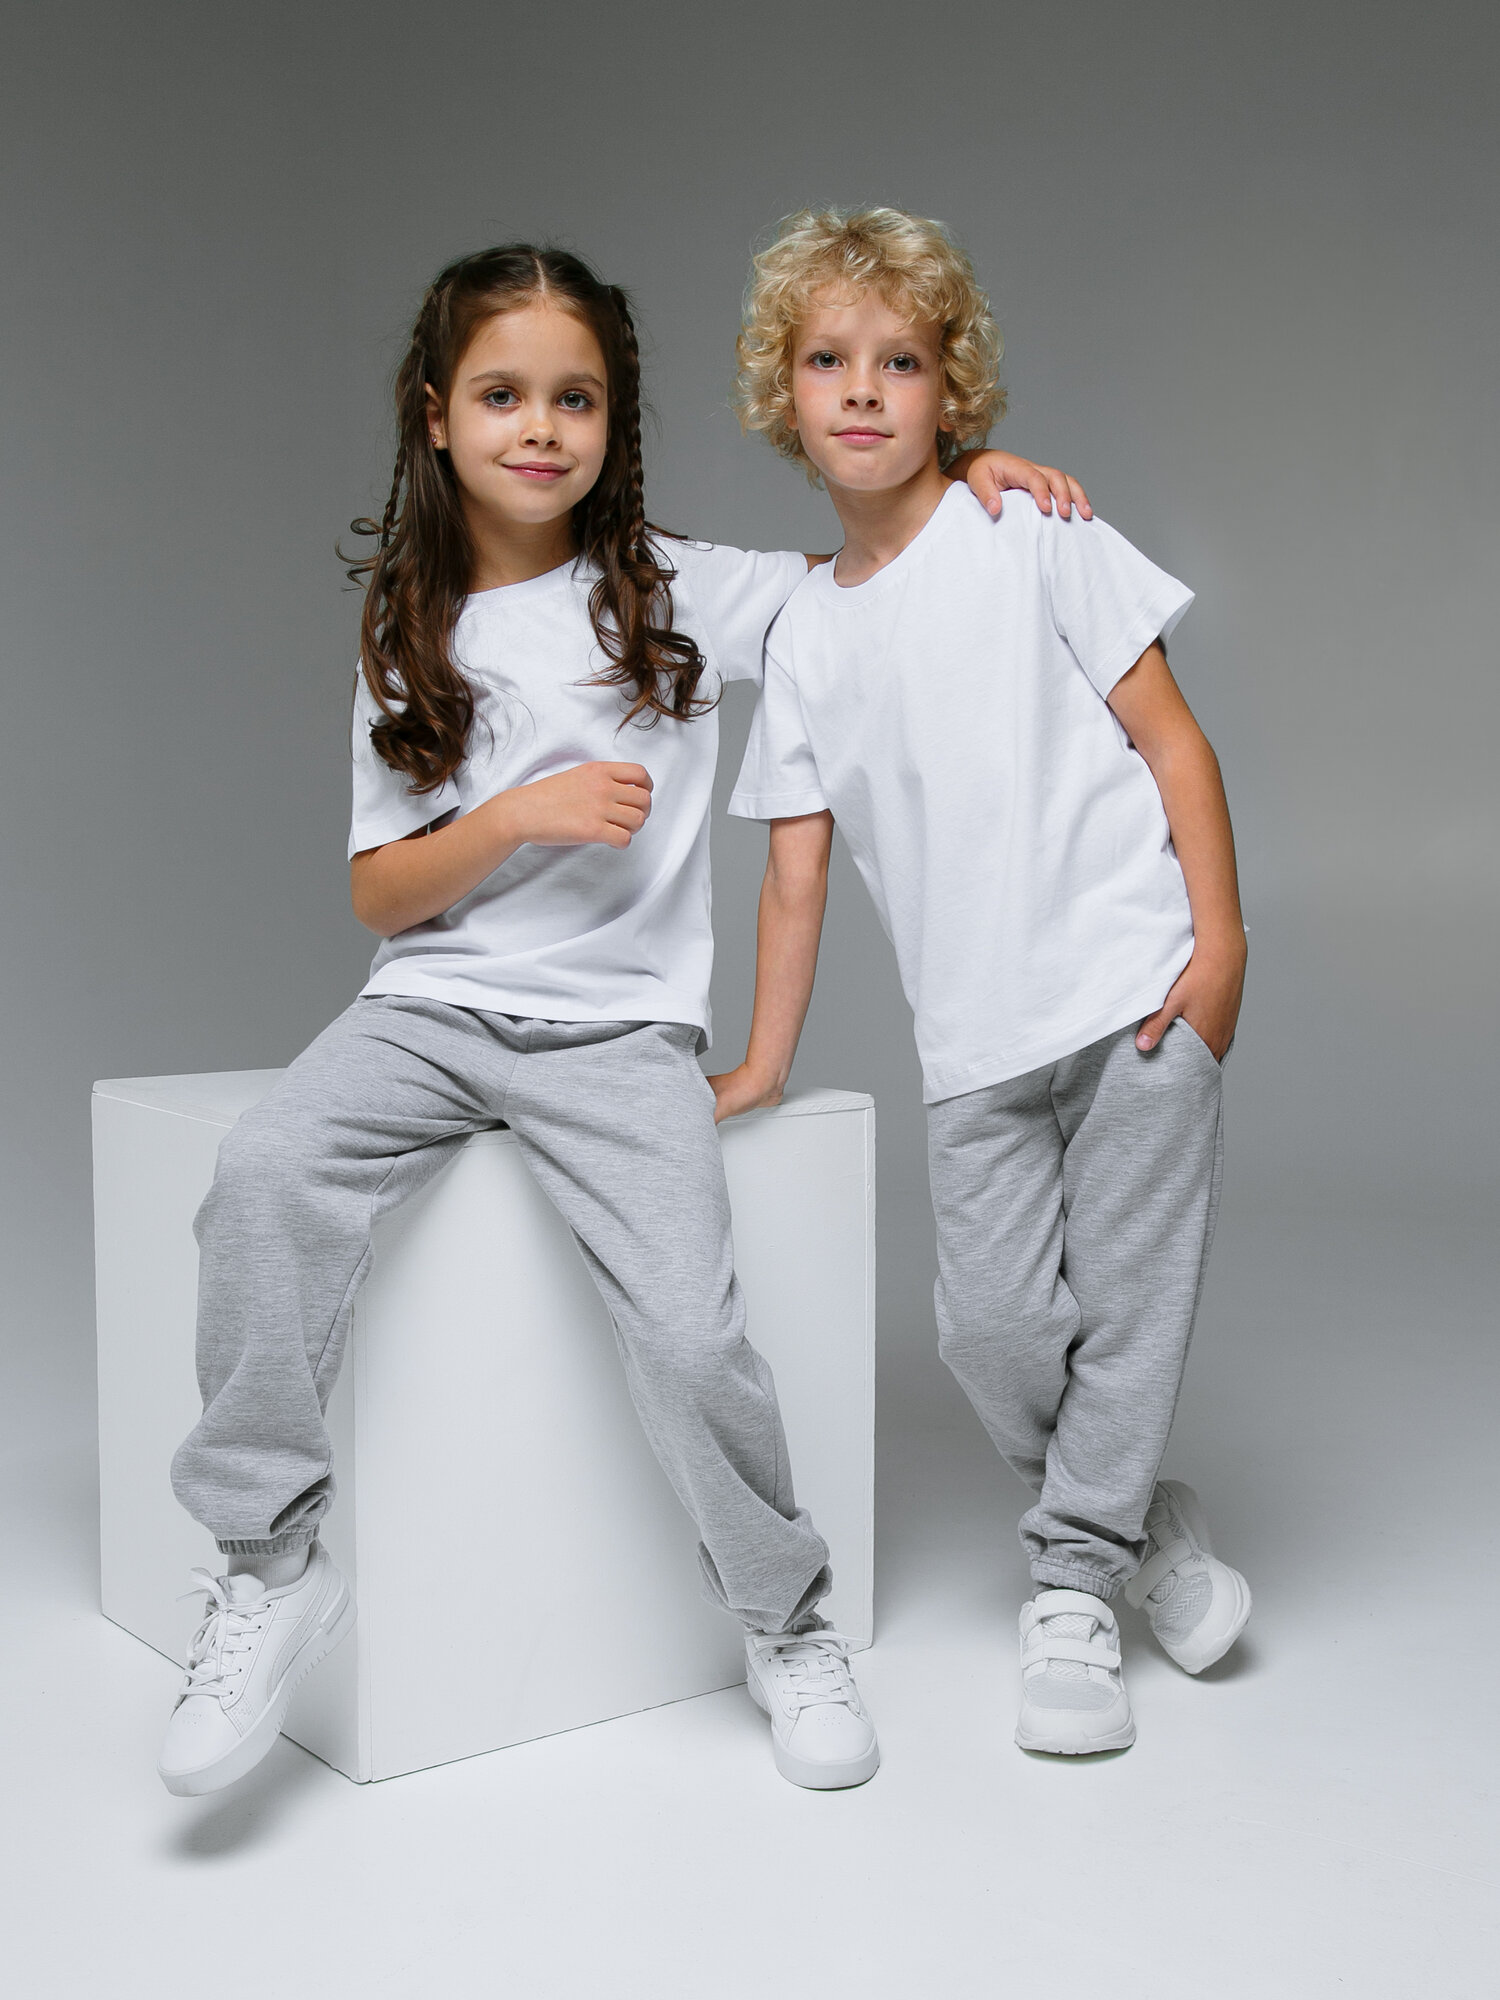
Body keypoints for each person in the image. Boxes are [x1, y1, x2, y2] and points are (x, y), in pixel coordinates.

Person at [156, 242, 1081, 1797]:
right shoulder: (408, 623)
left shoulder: (675, 591)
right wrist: (515, 816)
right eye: (502, 395)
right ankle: (268, 1563)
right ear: (436, 416)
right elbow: (381, 895)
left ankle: (786, 1622)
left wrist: (971, 475)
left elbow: (874, 572)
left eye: (574, 399)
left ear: (615, 422)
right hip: (431, 1011)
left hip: (619, 1037)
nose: (540, 427)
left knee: (690, 1333)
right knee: (258, 1179)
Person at [716, 207, 1252, 1756]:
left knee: (1130, 1314)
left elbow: (1173, 740)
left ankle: (1073, 1588)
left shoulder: (1032, 530)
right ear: (784, 392)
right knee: (992, 1331)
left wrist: (1221, 945)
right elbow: (796, 875)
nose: (863, 389)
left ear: (950, 390)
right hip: (972, 1047)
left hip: (1138, 992)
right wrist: (761, 1061)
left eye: (900, 361)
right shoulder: (804, 638)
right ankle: (1144, 1526)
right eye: (829, 360)